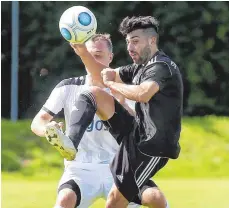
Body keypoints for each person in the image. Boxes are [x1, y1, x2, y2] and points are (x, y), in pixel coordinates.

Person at [31, 33, 169, 208]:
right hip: (81, 169)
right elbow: (37, 121)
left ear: (110, 57)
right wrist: (50, 130)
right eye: (88, 55)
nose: (91, 60)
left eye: (97, 56)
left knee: (155, 197)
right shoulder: (68, 87)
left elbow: (140, 130)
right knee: (65, 199)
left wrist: (121, 103)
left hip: (121, 166)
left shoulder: (127, 87)